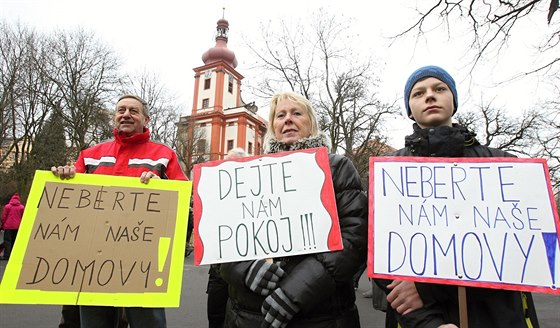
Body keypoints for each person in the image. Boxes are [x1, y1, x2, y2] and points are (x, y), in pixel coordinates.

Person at [375, 65, 539, 328]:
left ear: (454, 101)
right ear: (409, 109)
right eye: (418, 93)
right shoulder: (390, 172)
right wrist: (428, 322)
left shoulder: (504, 166)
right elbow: (384, 262)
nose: (430, 96)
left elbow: (520, 256)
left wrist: (430, 290)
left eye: (439, 89)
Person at [219, 91, 368, 328]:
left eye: (296, 113)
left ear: (311, 123)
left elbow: (354, 236)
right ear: (273, 126)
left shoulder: (337, 167)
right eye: (280, 115)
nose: (288, 119)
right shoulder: (247, 174)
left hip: (322, 315)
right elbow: (223, 236)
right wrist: (245, 268)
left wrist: (299, 289)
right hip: (249, 316)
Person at [53, 94, 187, 328]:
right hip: (92, 260)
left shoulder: (165, 155)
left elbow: (185, 198)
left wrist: (162, 187)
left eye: (133, 111)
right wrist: (64, 178)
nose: (126, 114)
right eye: (121, 110)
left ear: (146, 119)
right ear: (115, 117)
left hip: (143, 262)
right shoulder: (89, 155)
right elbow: (70, 202)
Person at [206, 147, 248, 328]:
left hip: (244, 269)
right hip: (218, 269)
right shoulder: (213, 190)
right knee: (215, 315)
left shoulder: (253, 192)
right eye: (226, 163)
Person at [1, 192, 24, 260]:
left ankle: (7, 256)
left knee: (7, 241)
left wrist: (2, 225)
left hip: (8, 226)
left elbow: (3, 217)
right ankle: (14, 255)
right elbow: (23, 217)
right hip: (17, 226)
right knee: (15, 241)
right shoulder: (21, 207)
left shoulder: (7, 206)